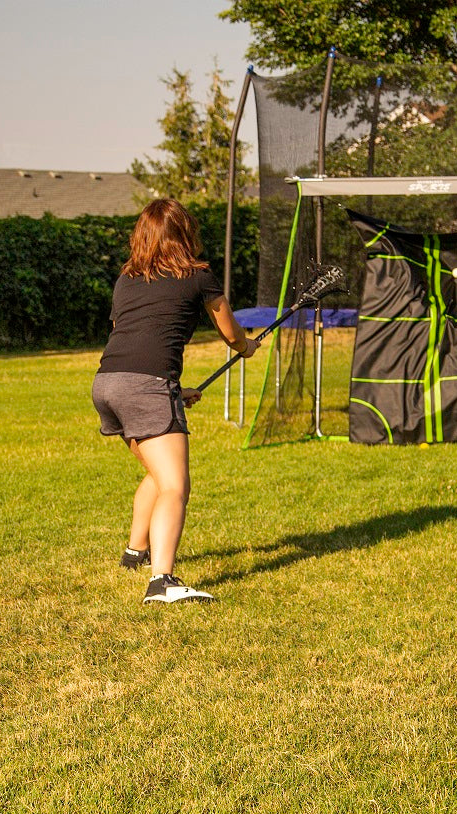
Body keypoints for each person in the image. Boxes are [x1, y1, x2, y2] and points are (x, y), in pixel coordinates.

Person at [91, 198, 260, 604]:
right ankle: (162, 580)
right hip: (145, 386)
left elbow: (130, 332)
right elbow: (232, 336)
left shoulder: (126, 279)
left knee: (157, 471)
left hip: (108, 383)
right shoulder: (198, 277)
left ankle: (135, 554)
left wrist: (171, 388)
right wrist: (248, 347)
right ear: (184, 234)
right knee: (175, 485)